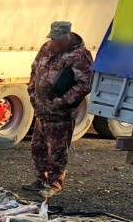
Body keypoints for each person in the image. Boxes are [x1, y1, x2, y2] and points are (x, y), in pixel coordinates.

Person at [25, 20, 93, 198]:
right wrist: (32, 92)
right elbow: (35, 70)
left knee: (57, 150)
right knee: (38, 147)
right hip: (41, 110)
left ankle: (54, 183)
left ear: (66, 38)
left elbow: (85, 84)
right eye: (52, 39)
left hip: (60, 114)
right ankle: (40, 179)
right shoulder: (47, 48)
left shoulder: (80, 56)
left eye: (57, 40)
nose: (53, 43)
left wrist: (62, 101)